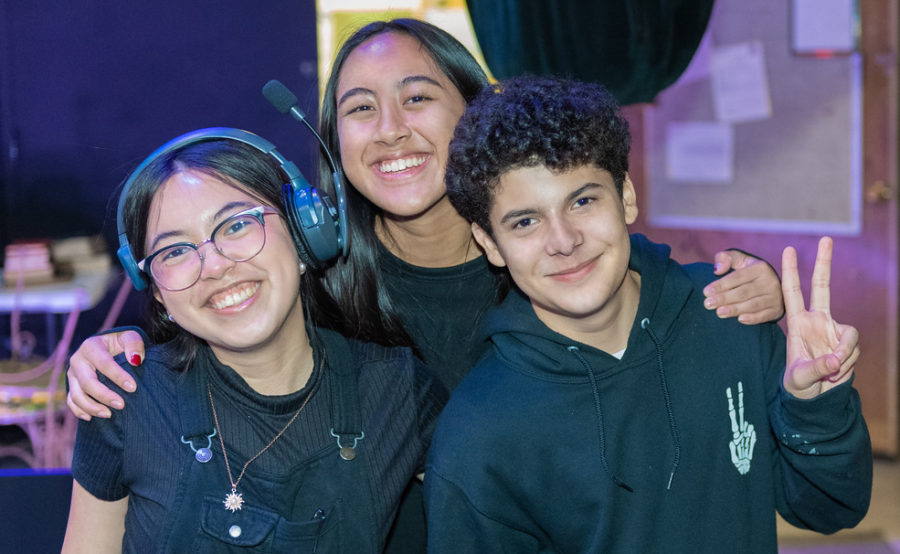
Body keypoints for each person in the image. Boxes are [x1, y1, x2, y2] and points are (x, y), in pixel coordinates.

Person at [64, 18, 785, 551]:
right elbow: (218, 314)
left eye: (417, 97)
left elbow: (652, 309)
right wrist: (109, 349)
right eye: (358, 110)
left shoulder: (556, 260)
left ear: (475, 110)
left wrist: (744, 289)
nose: (389, 131)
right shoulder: (312, 286)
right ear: (332, 147)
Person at [424, 75, 872, 553]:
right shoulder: (480, 430)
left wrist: (817, 409)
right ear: (490, 243)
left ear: (627, 197)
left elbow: (829, 509)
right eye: (526, 221)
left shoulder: (728, 313)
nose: (564, 241)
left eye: (582, 200)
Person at [61, 130, 446, 552]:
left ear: (302, 234)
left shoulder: (395, 388)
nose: (214, 266)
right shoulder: (126, 400)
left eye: (237, 224)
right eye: (174, 252)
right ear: (156, 290)